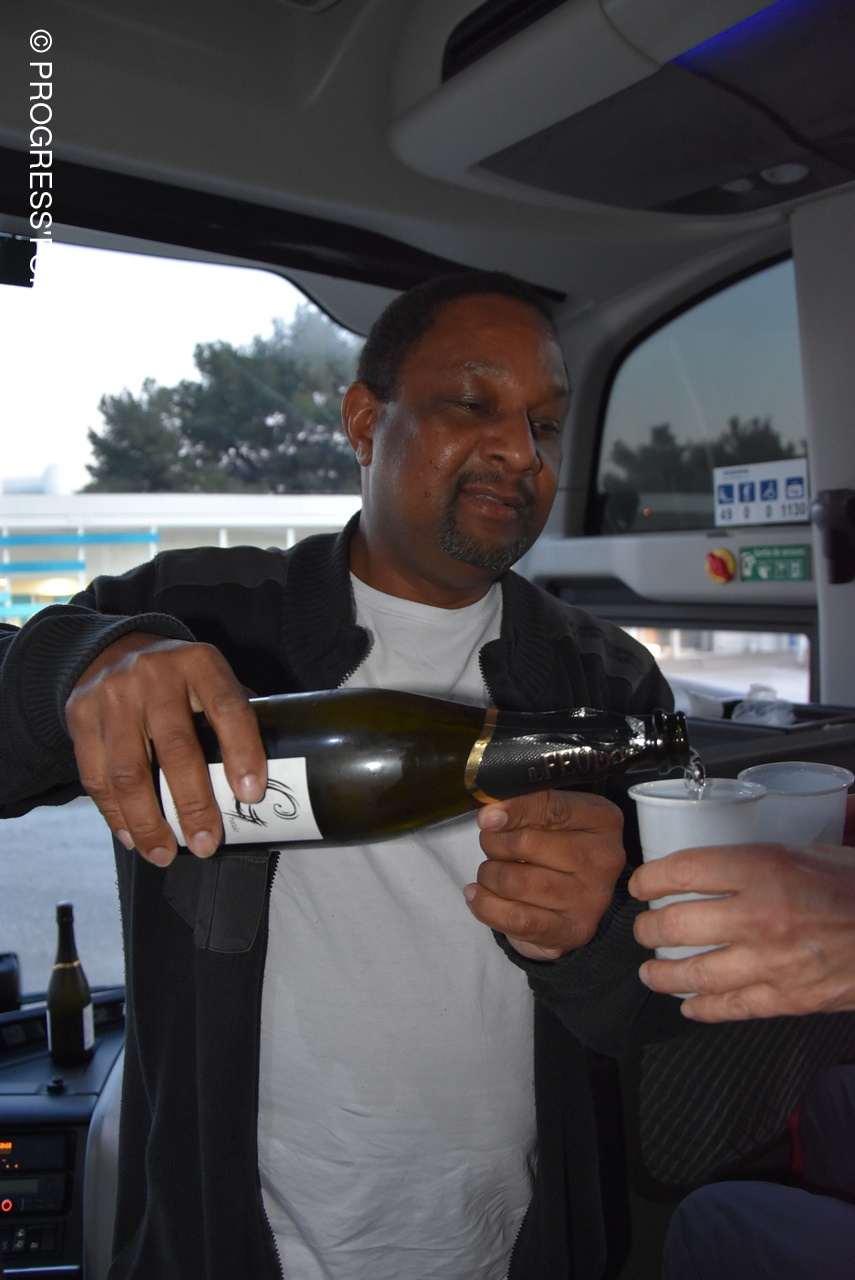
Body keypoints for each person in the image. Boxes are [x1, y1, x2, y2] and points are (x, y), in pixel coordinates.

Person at [0, 271, 686, 1280]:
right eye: (473, 402)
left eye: (544, 423)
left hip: (513, 1247)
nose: (521, 451)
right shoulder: (199, 613)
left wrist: (598, 938)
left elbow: (660, 1020)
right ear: (365, 421)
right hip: (227, 1248)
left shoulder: (609, 682)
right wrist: (77, 666)